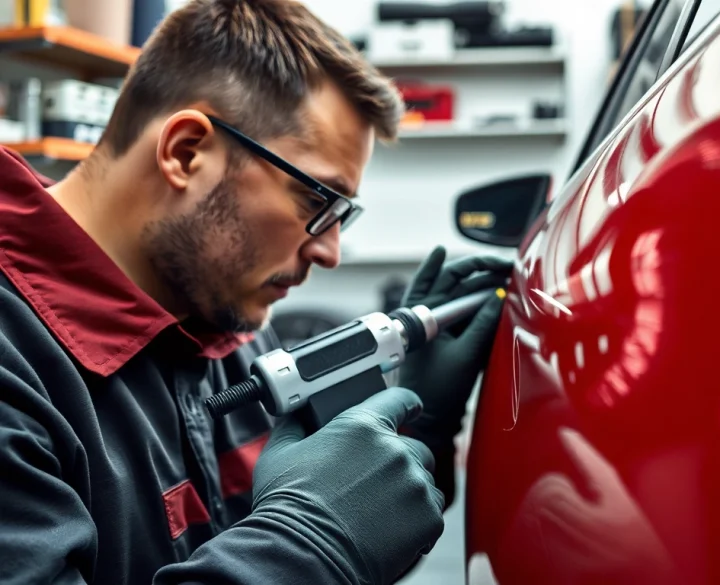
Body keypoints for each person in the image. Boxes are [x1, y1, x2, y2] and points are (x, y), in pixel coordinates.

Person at [0, 0, 512, 583]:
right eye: (318, 202)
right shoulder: (16, 365)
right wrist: (311, 544)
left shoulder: (223, 314)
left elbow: (339, 534)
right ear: (186, 152)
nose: (330, 251)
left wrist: (421, 432)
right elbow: (305, 544)